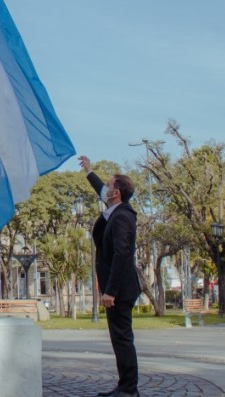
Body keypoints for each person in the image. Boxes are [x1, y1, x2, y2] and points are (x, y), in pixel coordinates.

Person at [79, 155, 141, 397]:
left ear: (116, 194)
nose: (105, 189)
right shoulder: (115, 210)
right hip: (117, 289)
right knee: (119, 339)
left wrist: (110, 291)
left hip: (120, 290)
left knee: (123, 339)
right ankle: (125, 386)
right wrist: (88, 171)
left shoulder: (122, 216)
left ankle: (128, 389)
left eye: (109, 185)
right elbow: (101, 189)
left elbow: (122, 255)